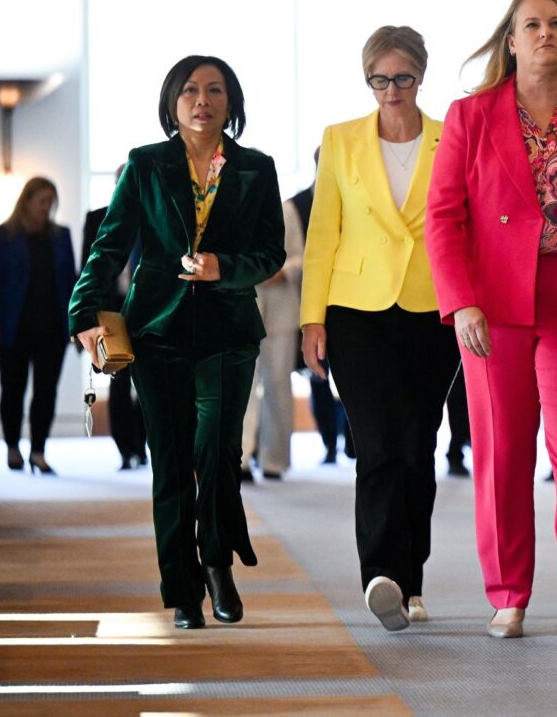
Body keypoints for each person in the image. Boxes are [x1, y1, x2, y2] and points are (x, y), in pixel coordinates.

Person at [426, 0, 557, 645]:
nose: (545, 34)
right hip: (495, 306)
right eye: (531, 25)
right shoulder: (470, 115)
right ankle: (508, 595)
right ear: (509, 41)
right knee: (503, 452)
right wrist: (460, 302)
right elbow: (443, 217)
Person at [70, 55, 286, 630]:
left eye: (215, 90)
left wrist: (225, 267)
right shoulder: (145, 165)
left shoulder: (256, 169)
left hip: (228, 334)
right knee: (169, 464)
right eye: (190, 90)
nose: (202, 100)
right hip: (156, 333)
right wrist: (85, 312)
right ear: (172, 101)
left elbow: (271, 254)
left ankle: (217, 562)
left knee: (217, 456)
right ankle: (182, 588)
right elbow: (109, 247)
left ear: (230, 103)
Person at [300, 25, 459, 631]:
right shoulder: (339, 141)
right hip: (355, 310)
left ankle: (410, 580)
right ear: (367, 79)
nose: (391, 90)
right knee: (377, 444)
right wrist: (313, 319)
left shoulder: (453, 137)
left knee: (419, 443)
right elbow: (322, 237)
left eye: (403, 78)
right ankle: (380, 577)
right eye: (380, 79)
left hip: (432, 309)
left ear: (421, 75)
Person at [0, 176, 77, 475]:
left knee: (46, 391)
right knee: (12, 389)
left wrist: (75, 323)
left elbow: (71, 282)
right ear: (26, 201)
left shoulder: (60, 235)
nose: (46, 207)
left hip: (52, 327)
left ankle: (38, 450)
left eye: (51, 201)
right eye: (41, 200)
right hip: (13, 327)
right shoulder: (2, 236)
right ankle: (13, 446)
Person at [81, 165, 147, 471]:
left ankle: (145, 444)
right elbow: (87, 269)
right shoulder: (98, 219)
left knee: (149, 380)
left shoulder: (154, 217)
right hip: (112, 308)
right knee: (118, 380)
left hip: (147, 307)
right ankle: (126, 448)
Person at [290, 156, 353, 465]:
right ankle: (329, 441)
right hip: (310, 300)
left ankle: (353, 442)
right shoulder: (296, 205)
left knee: (353, 378)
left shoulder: (355, 197)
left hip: (351, 299)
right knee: (318, 375)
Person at [240, 196, 303, 481]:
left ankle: (274, 460)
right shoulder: (232, 207)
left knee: (278, 384)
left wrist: (282, 271)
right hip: (244, 307)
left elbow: (300, 256)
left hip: (281, 308)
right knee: (243, 386)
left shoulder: (286, 210)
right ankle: (239, 458)